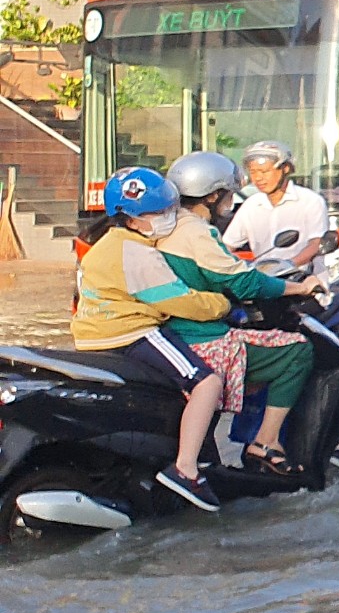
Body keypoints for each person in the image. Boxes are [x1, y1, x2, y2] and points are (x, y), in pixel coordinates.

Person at [73, 168, 233, 512]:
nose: (168, 218)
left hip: (92, 339)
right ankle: (186, 470)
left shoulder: (106, 245)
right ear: (133, 218)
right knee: (206, 383)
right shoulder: (136, 253)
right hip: (130, 334)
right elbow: (181, 301)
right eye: (160, 212)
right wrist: (222, 304)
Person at [160, 151, 319, 478]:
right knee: (297, 349)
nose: (231, 200)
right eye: (228, 193)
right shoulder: (197, 232)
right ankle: (265, 441)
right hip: (201, 338)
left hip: (170, 337)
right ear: (213, 194)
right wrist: (298, 289)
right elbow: (243, 282)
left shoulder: (166, 226)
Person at [223, 139, 333, 271]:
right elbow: (228, 245)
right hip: (266, 280)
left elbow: (316, 244)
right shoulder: (251, 205)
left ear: (285, 168)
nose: (258, 178)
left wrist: (288, 265)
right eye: (253, 172)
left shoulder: (310, 201)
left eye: (264, 171)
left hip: (305, 278)